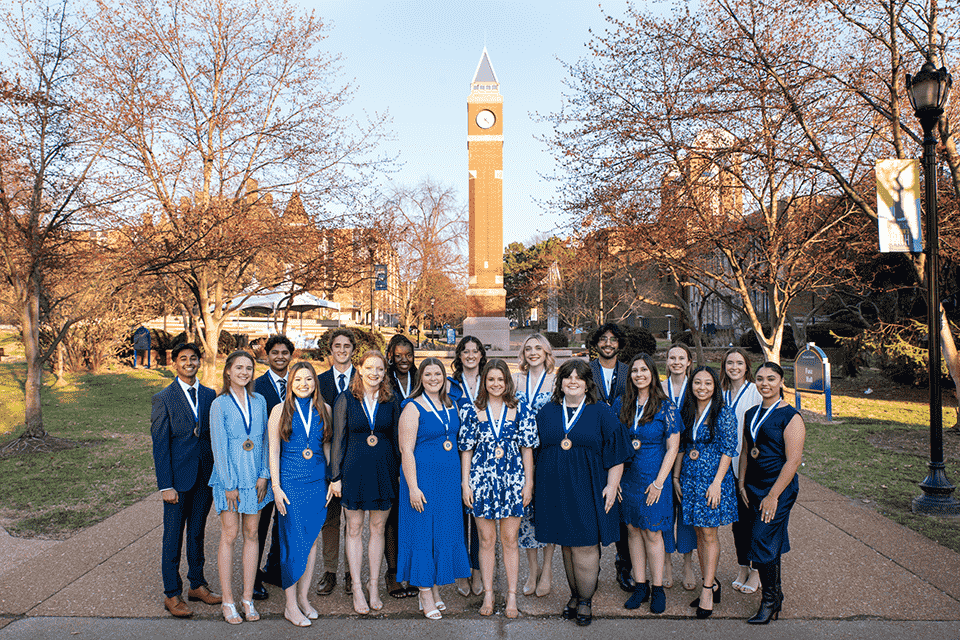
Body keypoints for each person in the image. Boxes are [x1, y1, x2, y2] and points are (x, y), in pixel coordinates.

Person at [534, 359, 629, 627]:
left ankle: (586, 600)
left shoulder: (602, 412)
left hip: (589, 487)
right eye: (567, 377)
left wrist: (612, 485)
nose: (572, 381)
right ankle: (575, 596)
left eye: (579, 377)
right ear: (560, 382)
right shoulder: (548, 412)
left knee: (586, 543)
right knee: (566, 543)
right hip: (555, 489)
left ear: (589, 383)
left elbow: (617, 452)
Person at [460, 359, 538, 618]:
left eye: (500, 380)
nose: (495, 384)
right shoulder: (472, 410)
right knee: (486, 540)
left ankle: (512, 597)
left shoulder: (521, 409)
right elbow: (467, 449)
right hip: (482, 481)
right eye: (490, 379)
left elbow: (527, 449)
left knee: (509, 541)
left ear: (507, 382)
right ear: (484, 381)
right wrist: (465, 482)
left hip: (512, 480)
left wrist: (528, 483)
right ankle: (489, 595)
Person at [329, 350, 402, 614]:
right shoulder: (346, 399)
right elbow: (338, 440)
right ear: (359, 369)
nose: (374, 373)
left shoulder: (391, 400)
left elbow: (396, 439)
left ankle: (373, 585)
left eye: (380, 369)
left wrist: (398, 473)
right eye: (369, 368)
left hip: (383, 470)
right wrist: (335, 477)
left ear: (385, 373)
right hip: (353, 471)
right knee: (354, 528)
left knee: (378, 529)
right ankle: (357, 587)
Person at [151, 342, 221, 618]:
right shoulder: (164, 397)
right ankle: (171, 593)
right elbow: (160, 444)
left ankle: (197, 584)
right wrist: (165, 485)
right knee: (172, 536)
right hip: (177, 482)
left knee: (197, 533)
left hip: (204, 477)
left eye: (193, 358)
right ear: (175, 363)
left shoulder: (209, 394)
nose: (189, 363)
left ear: (199, 362)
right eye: (183, 359)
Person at [397, 358, 471, 620]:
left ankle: (435, 589)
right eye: (427, 374)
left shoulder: (450, 404)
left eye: (437, 373)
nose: (433, 378)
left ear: (444, 376)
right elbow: (406, 450)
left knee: (440, 534)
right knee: (421, 535)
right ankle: (425, 593)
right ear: (421, 378)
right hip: (423, 482)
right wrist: (413, 488)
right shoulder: (412, 407)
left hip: (448, 482)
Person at [267, 361, 333, 627]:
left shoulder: (324, 409)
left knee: (312, 541)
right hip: (291, 483)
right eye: (298, 380)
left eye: (308, 379)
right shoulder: (279, 410)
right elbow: (272, 451)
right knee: (292, 543)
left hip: (317, 482)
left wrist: (332, 480)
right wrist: (276, 487)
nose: (303, 384)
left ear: (315, 382)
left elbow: (326, 448)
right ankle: (290, 605)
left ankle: (304, 599)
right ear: (290, 384)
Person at [209, 350, 273, 624]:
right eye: (239, 368)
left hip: (255, 478)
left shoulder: (260, 401)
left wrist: (264, 474)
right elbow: (218, 446)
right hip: (231, 480)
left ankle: (247, 598)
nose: (244, 373)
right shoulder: (219, 404)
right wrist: (229, 483)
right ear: (228, 371)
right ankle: (228, 601)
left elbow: (266, 440)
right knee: (230, 534)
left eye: (249, 368)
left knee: (252, 533)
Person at [739, 362, 805, 625]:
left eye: (771, 378)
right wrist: (742, 483)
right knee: (767, 541)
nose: (765, 383)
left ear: (781, 382)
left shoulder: (791, 416)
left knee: (762, 540)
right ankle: (776, 597)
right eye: (760, 378)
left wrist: (773, 495)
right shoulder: (751, 413)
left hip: (777, 489)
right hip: (752, 487)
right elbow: (746, 450)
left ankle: (768, 601)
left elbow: (793, 461)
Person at [614, 353, 680, 614]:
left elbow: (673, 447)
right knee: (633, 531)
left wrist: (659, 482)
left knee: (653, 533)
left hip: (655, 478)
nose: (639, 375)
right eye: (634, 371)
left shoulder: (666, 406)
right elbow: (615, 442)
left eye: (644, 370)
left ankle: (658, 587)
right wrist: (615, 478)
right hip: (629, 479)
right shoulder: (622, 403)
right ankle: (640, 586)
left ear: (653, 373)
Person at [673, 366, 737, 619]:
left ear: (715, 386)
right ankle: (712, 581)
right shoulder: (687, 410)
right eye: (697, 383)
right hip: (689, 479)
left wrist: (717, 482)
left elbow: (728, 448)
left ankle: (708, 590)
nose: (702, 388)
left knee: (709, 533)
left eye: (708, 383)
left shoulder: (723, 412)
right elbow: (681, 444)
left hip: (712, 480)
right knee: (699, 532)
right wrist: (676, 476)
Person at [587, 322, 632, 592]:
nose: (608, 343)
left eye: (613, 340)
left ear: (619, 344)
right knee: (595, 508)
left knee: (622, 511)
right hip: (592, 448)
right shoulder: (586, 371)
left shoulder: (629, 372)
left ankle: (623, 565)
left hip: (622, 448)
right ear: (597, 343)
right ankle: (591, 569)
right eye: (603, 339)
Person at [512, 333, 556, 598]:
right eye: (528, 348)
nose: (533, 352)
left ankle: (548, 568)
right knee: (525, 512)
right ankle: (532, 569)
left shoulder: (556, 381)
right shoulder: (516, 379)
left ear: (547, 352)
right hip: (520, 456)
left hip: (548, 454)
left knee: (548, 511)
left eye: (538, 348)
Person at [253, 334, 294, 599]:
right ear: (267, 355)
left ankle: (275, 568)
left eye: (284, 352)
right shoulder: (255, 386)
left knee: (285, 521)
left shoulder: (300, 383)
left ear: (292, 354)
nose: (280, 356)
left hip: (291, 464)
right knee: (259, 524)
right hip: (265, 465)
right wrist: (261, 471)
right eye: (275, 352)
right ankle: (253, 576)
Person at [315, 328, 356, 597]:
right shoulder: (318, 382)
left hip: (355, 462)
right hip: (326, 461)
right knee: (330, 521)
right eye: (337, 346)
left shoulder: (364, 380)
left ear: (354, 349)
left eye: (346, 346)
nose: (341, 350)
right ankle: (329, 571)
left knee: (354, 522)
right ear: (331, 349)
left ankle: (352, 573)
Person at [720, 347, 763, 595]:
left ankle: (756, 570)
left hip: (748, 467)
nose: (734, 367)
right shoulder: (721, 392)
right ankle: (742, 566)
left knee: (753, 520)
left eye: (739, 363)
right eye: (729, 363)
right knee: (738, 524)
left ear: (747, 366)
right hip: (724, 467)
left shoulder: (755, 393)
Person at [447, 336, 486, 596]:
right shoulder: (450, 385)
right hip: (454, 455)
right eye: (465, 351)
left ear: (481, 355)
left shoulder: (491, 380)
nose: (470, 355)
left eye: (475, 351)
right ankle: (462, 571)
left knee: (480, 518)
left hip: (485, 456)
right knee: (458, 518)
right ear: (459, 356)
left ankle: (479, 571)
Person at [383, 334, 417, 598]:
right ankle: (393, 573)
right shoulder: (384, 381)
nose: (404, 360)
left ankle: (413, 570)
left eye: (408, 355)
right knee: (392, 518)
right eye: (399, 355)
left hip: (419, 457)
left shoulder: (419, 378)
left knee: (414, 517)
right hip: (391, 456)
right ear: (391, 355)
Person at [662, 342, 697, 590]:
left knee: (686, 514)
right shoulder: (659, 388)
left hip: (689, 459)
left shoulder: (696, 387)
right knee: (664, 512)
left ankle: (687, 564)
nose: (676, 362)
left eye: (681, 358)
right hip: (662, 456)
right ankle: (665, 563)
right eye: (672, 357)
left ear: (688, 362)